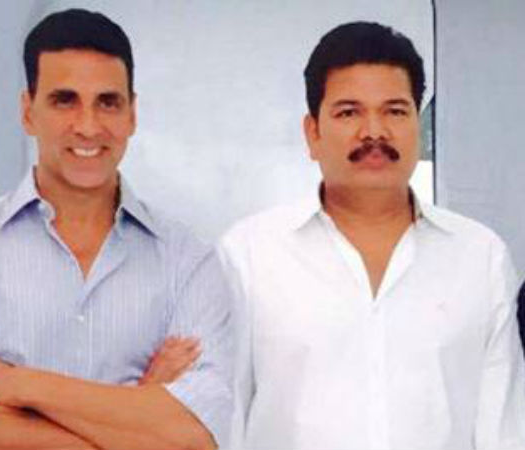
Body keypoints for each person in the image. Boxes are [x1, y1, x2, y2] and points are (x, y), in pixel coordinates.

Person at [0, 9, 231, 450]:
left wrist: (20, 385)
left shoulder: (190, 262)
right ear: (28, 112)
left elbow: (193, 438)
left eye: (108, 102)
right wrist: (141, 407)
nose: (88, 126)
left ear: (132, 114)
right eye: (64, 100)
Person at [219, 22, 525, 450]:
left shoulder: (481, 257)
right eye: (349, 112)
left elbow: (504, 430)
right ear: (312, 133)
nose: (374, 132)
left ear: (418, 125)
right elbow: (225, 419)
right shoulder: (250, 254)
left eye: (395, 111)